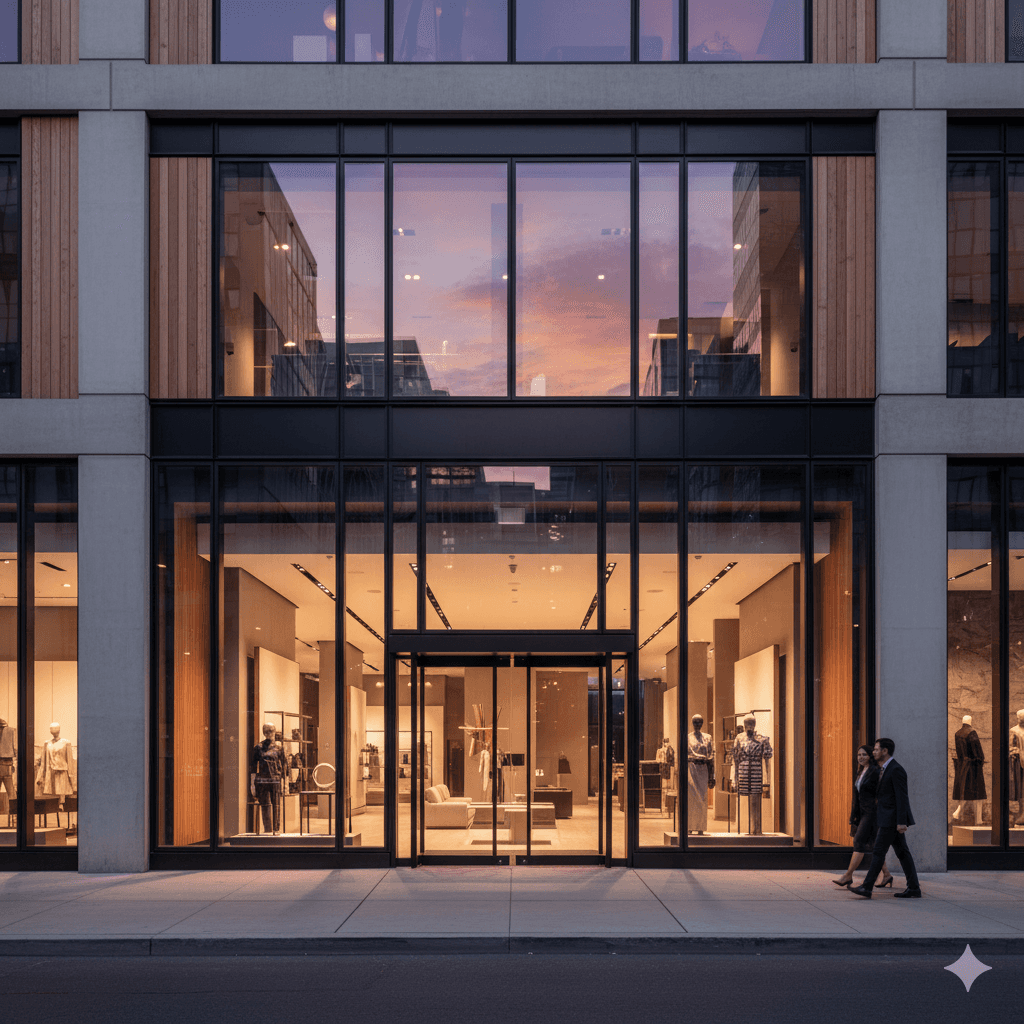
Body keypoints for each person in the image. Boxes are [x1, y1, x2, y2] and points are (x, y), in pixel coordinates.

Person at [849, 738, 922, 899]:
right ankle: (914, 888)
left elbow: (902, 797)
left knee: (878, 852)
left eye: (876, 749)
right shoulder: (883, 769)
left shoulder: (896, 770)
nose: (873, 752)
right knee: (903, 853)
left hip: (892, 820)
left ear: (885, 751)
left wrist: (901, 821)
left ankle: (867, 887)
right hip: (887, 818)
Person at [832, 745, 893, 889]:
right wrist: (854, 815)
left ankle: (848, 876)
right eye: (859, 755)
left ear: (870, 756)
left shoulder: (875, 771)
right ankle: (887, 875)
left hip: (872, 813)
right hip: (863, 813)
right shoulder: (861, 771)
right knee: (873, 845)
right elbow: (857, 797)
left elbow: (881, 792)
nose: (861, 757)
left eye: (864, 755)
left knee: (859, 842)